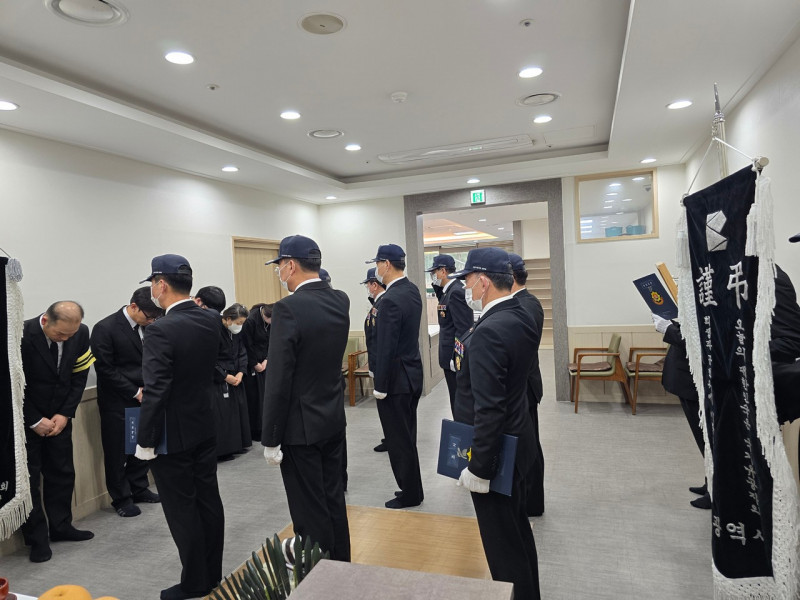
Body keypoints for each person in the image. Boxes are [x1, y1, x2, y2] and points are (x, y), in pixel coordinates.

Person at [450, 247, 541, 600]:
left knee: (503, 547)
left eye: (469, 280)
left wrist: (480, 468)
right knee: (517, 535)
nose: (466, 287)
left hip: (497, 453)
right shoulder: (519, 314)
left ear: (484, 281)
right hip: (518, 440)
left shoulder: (490, 329)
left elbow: (489, 408)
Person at [135, 254, 226, 600]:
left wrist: (145, 440)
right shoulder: (210, 319)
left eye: (152, 284)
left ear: (161, 285)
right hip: (204, 423)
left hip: (171, 433)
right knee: (208, 500)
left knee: (181, 507)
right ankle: (211, 573)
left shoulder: (160, 329)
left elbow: (156, 389)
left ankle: (194, 582)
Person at [262, 235, 351, 561]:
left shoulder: (288, 308)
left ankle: (321, 579)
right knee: (333, 500)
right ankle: (342, 566)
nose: (279, 273)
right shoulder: (340, 299)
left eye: (279, 266)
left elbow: (279, 378)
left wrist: (271, 437)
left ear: (290, 265)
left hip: (300, 428)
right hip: (332, 418)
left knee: (309, 512)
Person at [20, 301, 95, 563]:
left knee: (62, 472)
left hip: (60, 418)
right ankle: (37, 538)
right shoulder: (20, 334)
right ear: (45, 321)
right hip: (27, 422)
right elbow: (12, 383)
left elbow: (79, 374)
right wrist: (33, 420)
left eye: (70, 335)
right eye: (60, 334)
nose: (65, 339)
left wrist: (65, 413)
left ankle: (61, 527)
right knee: (29, 481)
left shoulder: (80, 333)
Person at [90, 287, 162, 518]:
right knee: (118, 452)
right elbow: (105, 369)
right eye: (148, 317)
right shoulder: (105, 328)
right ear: (133, 307)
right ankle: (121, 498)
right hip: (118, 401)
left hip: (147, 397)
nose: (151, 321)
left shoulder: (150, 326)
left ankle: (139, 488)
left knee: (141, 445)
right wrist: (135, 391)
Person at [366, 244, 424, 509]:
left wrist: (380, 384)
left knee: (399, 440)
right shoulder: (411, 290)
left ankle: (410, 492)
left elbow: (386, 346)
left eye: (378, 263)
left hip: (395, 381)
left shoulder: (389, 299)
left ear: (386, 264)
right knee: (406, 436)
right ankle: (413, 488)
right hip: (411, 375)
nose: (377, 269)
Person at [509, 252, 546, 517]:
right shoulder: (518, 303)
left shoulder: (527, 305)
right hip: (521, 387)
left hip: (525, 388)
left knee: (530, 447)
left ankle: (533, 502)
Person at [426, 254, 473, 415]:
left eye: (434, 272)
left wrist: (456, 357)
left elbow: (463, 328)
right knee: (455, 399)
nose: (433, 276)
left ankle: (460, 428)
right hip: (449, 358)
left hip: (454, 359)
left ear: (443, 271)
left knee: (459, 402)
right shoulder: (448, 291)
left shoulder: (456, 292)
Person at [214, 303, 252, 459]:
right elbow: (210, 359)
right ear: (228, 319)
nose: (240, 326)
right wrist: (224, 376)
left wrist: (241, 371)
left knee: (239, 411)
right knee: (224, 414)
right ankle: (225, 450)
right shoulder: (215, 330)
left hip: (235, 374)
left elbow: (242, 352)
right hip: (221, 376)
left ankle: (239, 444)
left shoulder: (236, 332)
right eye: (238, 323)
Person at [361, 267, 387, 452]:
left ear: (375, 285)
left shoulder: (384, 304)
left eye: (368, 285)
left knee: (387, 409)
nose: (368, 289)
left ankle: (392, 439)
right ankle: (389, 437)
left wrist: (377, 365)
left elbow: (381, 340)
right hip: (377, 362)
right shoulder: (378, 303)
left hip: (382, 365)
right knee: (384, 409)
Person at [241, 303, 272, 440]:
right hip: (252, 364)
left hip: (265, 363)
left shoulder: (271, 321)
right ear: (265, 315)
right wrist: (254, 363)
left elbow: (272, 341)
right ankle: (256, 430)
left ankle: (265, 427)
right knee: (255, 399)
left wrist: (267, 359)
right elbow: (247, 344)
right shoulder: (251, 320)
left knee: (266, 397)